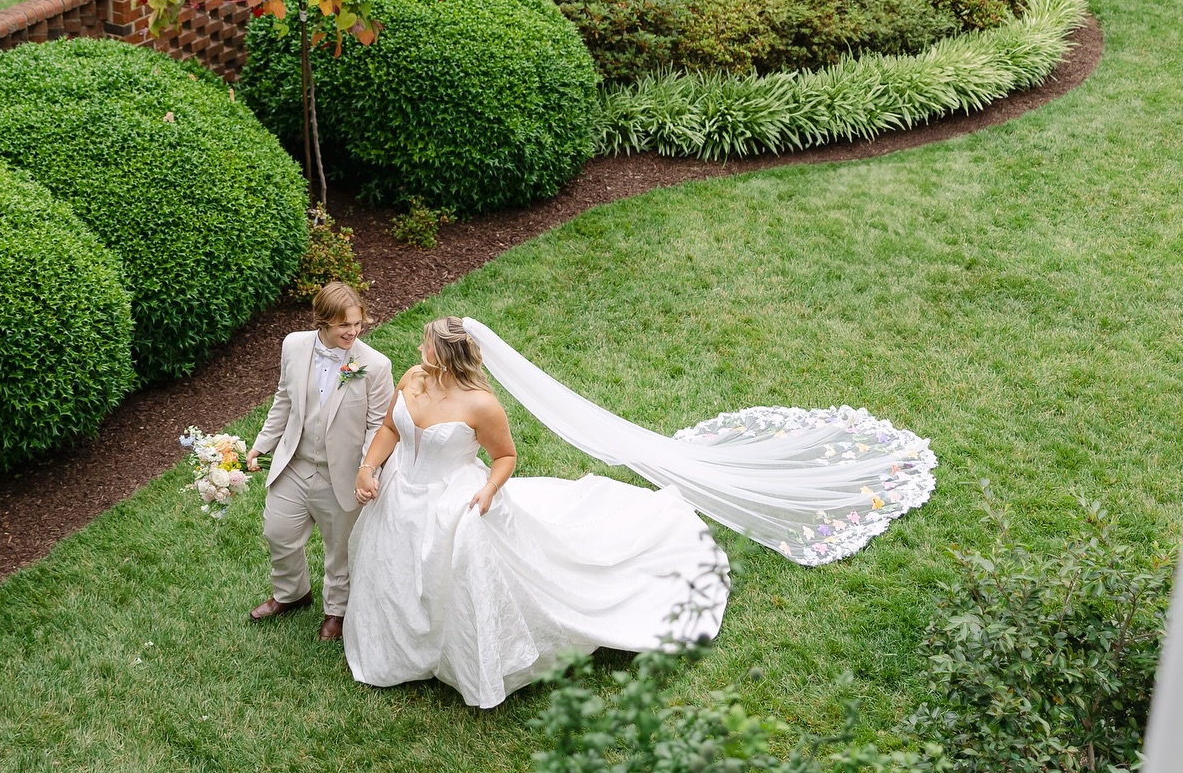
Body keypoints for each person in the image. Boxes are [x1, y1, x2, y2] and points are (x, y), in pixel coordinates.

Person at [343, 316, 935, 710]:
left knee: (464, 576)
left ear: (446, 355)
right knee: (399, 573)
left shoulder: (480, 404)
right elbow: (390, 432)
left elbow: (506, 457)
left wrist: (489, 492)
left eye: (426, 345)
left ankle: (461, 656)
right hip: (402, 499)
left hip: (459, 503)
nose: (417, 351)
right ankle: (402, 649)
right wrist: (370, 469)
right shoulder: (413, 380)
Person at [247, 282, 393, 641]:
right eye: (344, 325)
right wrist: (261, 445)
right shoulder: (293, 345)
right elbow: (284, 399)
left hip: (342, 473)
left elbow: (379, 426)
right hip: (295, 464)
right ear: (322, 321)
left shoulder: (374, 365)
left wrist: (366, 471)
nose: (353, 332)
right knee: (278, 533)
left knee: (339, 548)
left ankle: (337, 611)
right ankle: (291, 593)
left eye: (357, 323)